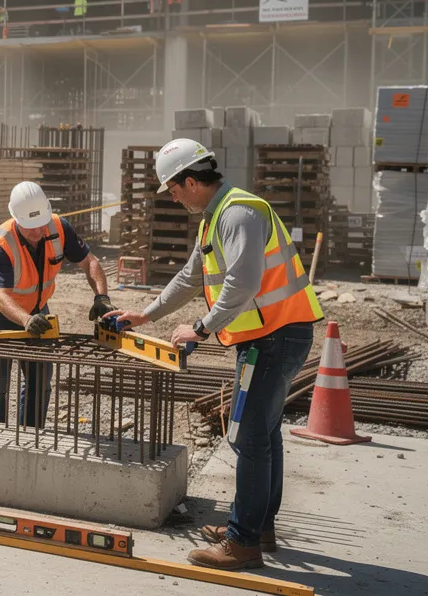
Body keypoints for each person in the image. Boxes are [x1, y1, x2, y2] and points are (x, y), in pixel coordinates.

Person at [106, 138, 322, 572]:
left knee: (249, 438)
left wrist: (201, 328)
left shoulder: (238, 213)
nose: (173, 198)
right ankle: (257, 527)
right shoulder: (215, 218)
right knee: (264, 434)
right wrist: (146, 314)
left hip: (276, 337)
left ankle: (242, 543)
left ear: (191, 181)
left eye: (173, 189)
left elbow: (243, 283)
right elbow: (190, 277)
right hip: (268, 337)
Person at [0, 182, 111, 426]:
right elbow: (2, 298)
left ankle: (31, 435)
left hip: (37, 308)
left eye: (41, 223)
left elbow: (90, 262)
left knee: (39, 380)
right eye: (31, 227)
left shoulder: (59, 227)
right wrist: (26, 320)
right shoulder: (1, 243)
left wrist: (101, 297)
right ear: (16, 219)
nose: (38, 231)